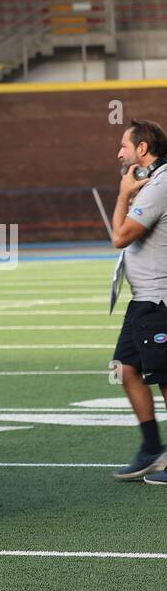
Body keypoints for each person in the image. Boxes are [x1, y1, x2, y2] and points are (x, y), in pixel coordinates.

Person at [109, 118, 167, 481]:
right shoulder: (152, 182)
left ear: (142, 149)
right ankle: (151, 449)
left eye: (124, 146)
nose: (119, 152)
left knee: (165, 377)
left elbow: (120, 236)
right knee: (126, 369)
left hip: (160, 300)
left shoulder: (160, 184)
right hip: (142, 301)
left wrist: (123, 193)